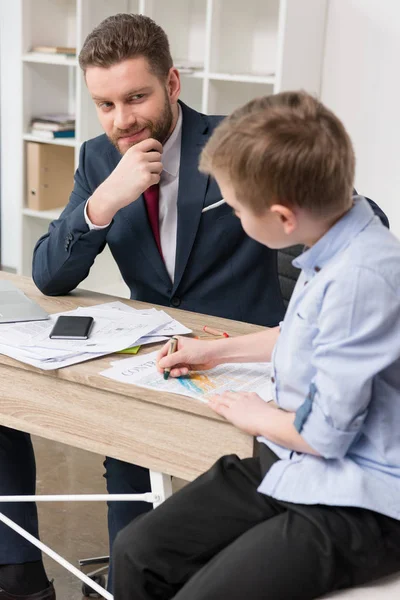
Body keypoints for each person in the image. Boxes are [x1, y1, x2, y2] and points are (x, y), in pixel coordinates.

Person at [0, 14, 388, 600]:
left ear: (173, 84)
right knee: (106, 449)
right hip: (161, 348)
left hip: (251, 354)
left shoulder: (238, 146)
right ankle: (75, 580)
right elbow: (52, 274)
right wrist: (103, 203)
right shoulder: (98, 159)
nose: (121, 120)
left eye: (136, 97)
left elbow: (349, 225)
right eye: (105, 105)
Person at [112, 91, 400, 600]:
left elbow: (326, 435)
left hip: (360, 498)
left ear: (283, 218)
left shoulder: (363, 275)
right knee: (138, 553)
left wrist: (253, 415)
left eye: (239, 209)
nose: (236, 219)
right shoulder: (338, 237)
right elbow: (311, 336)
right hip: (293, 461)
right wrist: (213, 351)